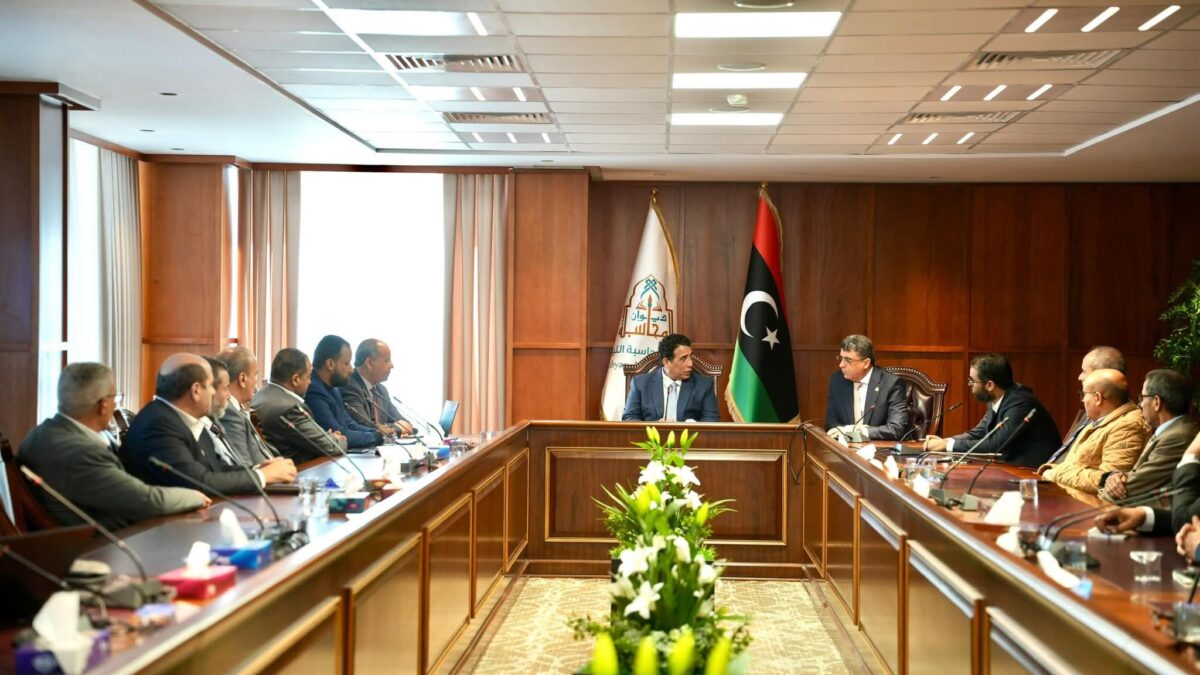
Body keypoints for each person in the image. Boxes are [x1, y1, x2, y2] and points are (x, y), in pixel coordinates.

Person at [18, 362, 210, 530]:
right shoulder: (81, 453)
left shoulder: (41, 433)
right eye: (115, 398)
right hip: (100, 545)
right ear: (103, 405)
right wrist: (195, 497)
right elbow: (147, 501)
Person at [120, 354, 296, 496]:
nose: (214, 392)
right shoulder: (158, 425)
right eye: (211, 386)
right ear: (196, 390)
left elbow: (217, 469)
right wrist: (262, 476)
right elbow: (199, 482)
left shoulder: (183, 418)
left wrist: (259, 468)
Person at [922, 353, 1061, 468]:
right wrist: (947, 440)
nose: (969, 385)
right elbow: (979, 432)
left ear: (989, 385)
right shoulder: (998, 398)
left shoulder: (1020, 403)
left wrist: (947, 445)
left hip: (1035, 473)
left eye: (972, 380)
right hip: (1013, 467)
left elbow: (995, 445)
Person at [1037, 369, 1149, 501]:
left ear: (1097, 398)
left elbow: (1107, 480)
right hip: (1073, 499)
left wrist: (1053, 473)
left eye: (1084, 394)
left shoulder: (1128, 426)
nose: (1083, 400)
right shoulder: (1100, 420)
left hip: (1094, 507)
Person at [1098, 369, 1196, 502]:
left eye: (1142, 397)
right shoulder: (1173, 430)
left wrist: (1106, 491)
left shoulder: (1177, 437)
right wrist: (1114, 476)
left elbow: (1130, 490)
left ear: (1156, 402)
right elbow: (1139, 475)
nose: (1140, 404)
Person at [1095, 430, 1200, 538]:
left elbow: (1183, 521)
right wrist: (1144, 516)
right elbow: (1190, 517)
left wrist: (1190, 455)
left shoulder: (1179, 435)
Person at [252, 347, 349, 463]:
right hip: (301, 469)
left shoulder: (259, 395)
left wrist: (329, 438)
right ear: (296, 379)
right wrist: (340, 440)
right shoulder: (290, 409)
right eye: (308, 377)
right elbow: (332, 447)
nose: (310, 382)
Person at [305, 335, 383, 449]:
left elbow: (350, 424)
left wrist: (378, 433)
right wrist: (376, 437)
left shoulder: (334, 389)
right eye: (346, 363)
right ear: (330, 364)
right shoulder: (313, 391)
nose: (351, 370)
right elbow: (340, 434)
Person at [824, 334, 908, 441]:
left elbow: (896, 429)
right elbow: (831, 423)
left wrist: (861, 432)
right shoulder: (837, 381)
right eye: (841, 358)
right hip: (846, 447)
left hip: (879, 447)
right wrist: (842, 433)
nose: (841, 364)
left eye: (848, 360)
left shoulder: (891, 384)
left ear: (866, 363)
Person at [622, 334, 720, 422]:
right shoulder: (640, 384)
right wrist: (654, 428)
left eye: (690, 357)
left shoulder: (703, 385)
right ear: (666, 362)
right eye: (683, 358)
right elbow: (629, 417)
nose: (690, 364)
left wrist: (691, 426)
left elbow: (712, 419)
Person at [216, 347, 280, 465]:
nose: (256, 383)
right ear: (242, 379)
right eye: (255, 376)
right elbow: (244, 466)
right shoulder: (229, 413)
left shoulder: (237, 408)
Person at [341, 339, 413, 436]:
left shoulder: (381, 390)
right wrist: (397, 429)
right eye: (386, 360)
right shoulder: (349, 386)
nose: (392, 365)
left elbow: (404, 423)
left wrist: (400, 428)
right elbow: (365, 427)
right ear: (369, 363)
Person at [1062, 346, 1127, 447]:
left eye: (1084, 371)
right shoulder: (1090, 412)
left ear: (1101, 375)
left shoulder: (1123, 425)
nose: (1079, 377)